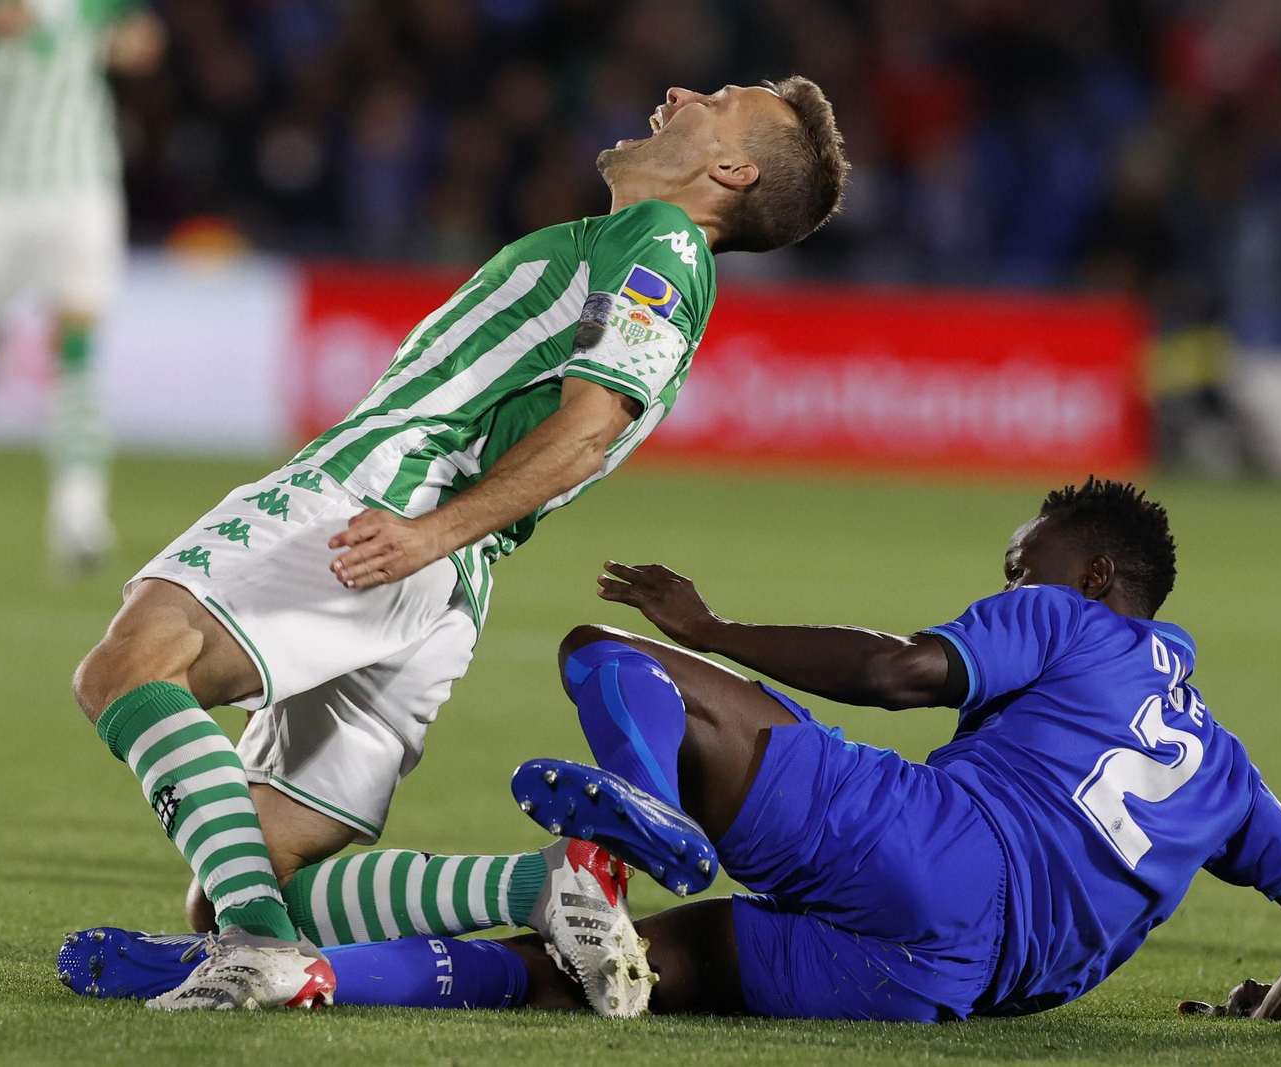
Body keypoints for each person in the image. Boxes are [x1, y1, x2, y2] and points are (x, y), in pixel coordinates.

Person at [66, 78, 849, 1011]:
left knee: (132, 664)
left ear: (731, 168)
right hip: (447, 583)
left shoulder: (663, 244)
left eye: (716, 99)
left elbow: (590, 427)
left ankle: (263, 952)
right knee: (250, 865)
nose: (680, 91)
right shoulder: (636, 251)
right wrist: (436, 544)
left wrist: (421, 530)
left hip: (379, 507)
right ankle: (540, 887)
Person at [65, 478, 1281, 1022]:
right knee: (601, 967)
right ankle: (291, 978)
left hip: (935, 846)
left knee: (611, 655)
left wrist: (718, 624)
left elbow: (901, 672)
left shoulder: (1068, 617)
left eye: (1018, 556)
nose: (1006, 572)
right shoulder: (1231, 773)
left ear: (1092, 574)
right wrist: (1270, 1007)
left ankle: (640, 805)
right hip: (963, 986)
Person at [0, 0, 165, 570]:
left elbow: (143, 38)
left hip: (78, 184)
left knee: (78, 343)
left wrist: (129, 42)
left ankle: (78, 513)